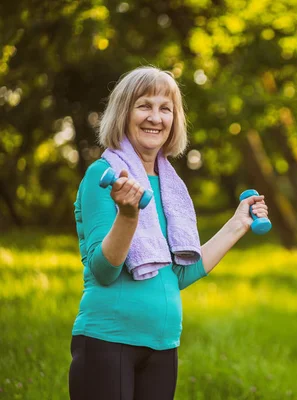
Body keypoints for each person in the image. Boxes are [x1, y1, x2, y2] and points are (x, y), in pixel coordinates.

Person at [69, 66, 269, 400]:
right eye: (144, 105)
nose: (155, 117)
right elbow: (104, 271)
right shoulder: (102, 175)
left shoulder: (170, 187)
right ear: (124, 113)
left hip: (163, 346)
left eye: (166, 108)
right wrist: (129, 215)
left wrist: (238, 223)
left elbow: (180, 272)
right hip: (108, 341)